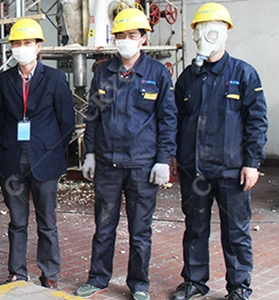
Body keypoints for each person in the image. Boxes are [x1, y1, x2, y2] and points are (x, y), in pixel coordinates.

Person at [75, 8, 177, 300]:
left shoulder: (157, 74)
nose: (125, 40)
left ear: (143, 39)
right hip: (107, 163)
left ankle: (139, 284)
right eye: (121, 35)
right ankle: (97, 278)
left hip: (142, 165)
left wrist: (163, 159)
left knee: (140, 231)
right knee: (104, 226)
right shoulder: (104, 72)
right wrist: (90, 153)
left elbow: (168, 120)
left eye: (132, 35)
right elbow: (93, 115)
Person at [170, 3, 268, 300]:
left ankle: (239, 286)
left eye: (214, 28)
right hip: (194, 169)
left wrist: (252, 162)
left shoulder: (244, 74)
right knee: (195, 228)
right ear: (194, 35)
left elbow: (257, 121)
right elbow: (176, 118)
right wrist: (174, 157)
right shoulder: (188, 77)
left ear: (226, 33)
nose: (207, 34)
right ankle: (195, 282)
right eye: (201, 29)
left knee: (235, 231)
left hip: (231, 171)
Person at [0, 18, 74, 289]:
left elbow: (67, 122)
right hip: (12, 158)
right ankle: (17, 271)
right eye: (17, 43)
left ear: (38, 46)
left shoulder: (55, 78)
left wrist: (52, 149)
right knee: (17, 221)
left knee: (46, 221)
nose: (21, 48)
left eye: (27, 43)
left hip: (45, 159)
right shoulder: (3, 80)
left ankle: (49, 272)